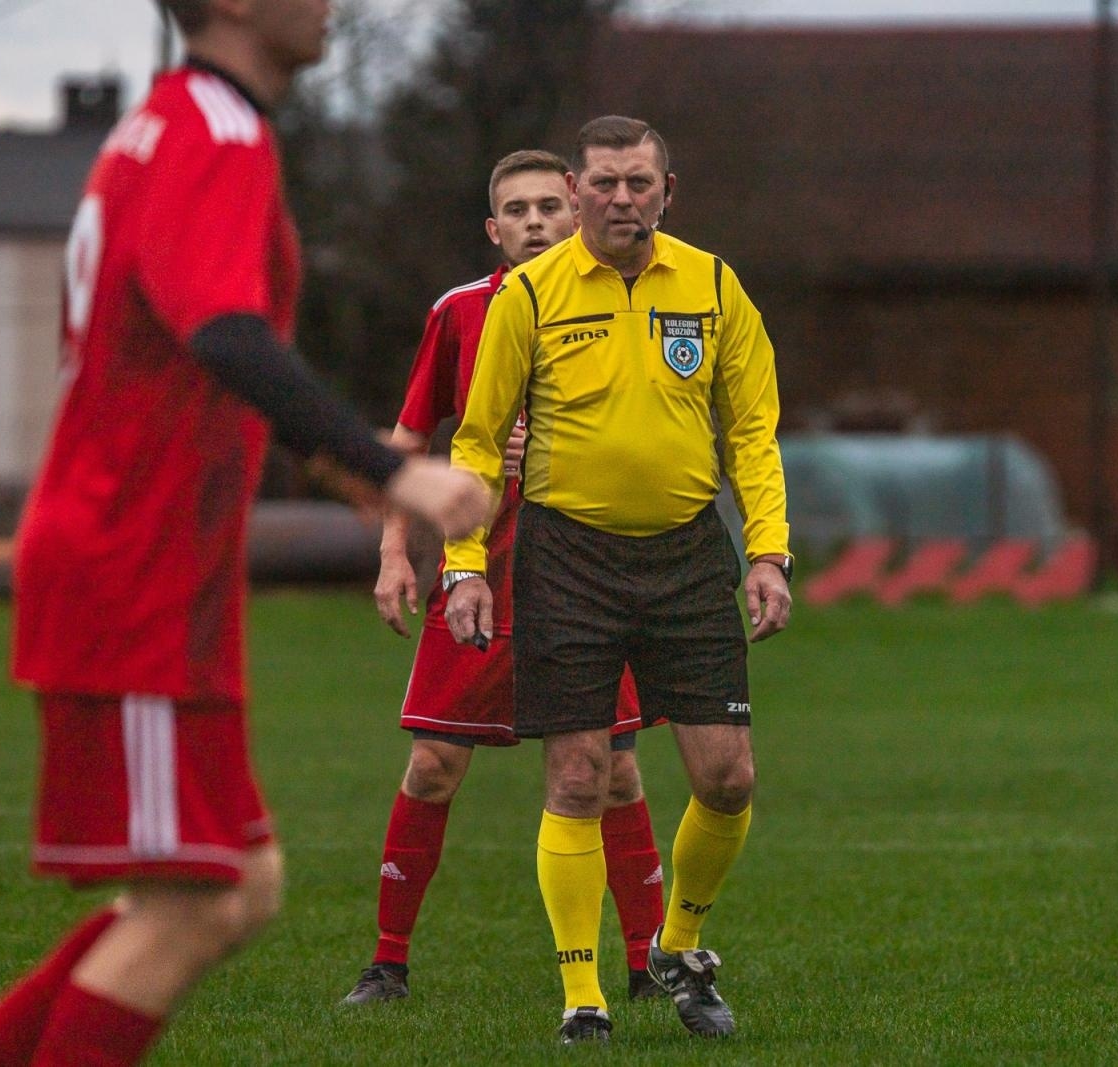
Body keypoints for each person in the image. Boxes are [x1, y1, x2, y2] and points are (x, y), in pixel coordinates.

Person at [0, 2, 488, 1065]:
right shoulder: (212, 132)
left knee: (237, 885)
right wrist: (391, 466)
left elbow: (180, 337)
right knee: (190, 902)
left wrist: (330, 469)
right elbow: (221, 330)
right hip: (132, 564)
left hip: (155, 569)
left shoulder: (182, 125)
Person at [445, 116, 793, 1045]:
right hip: (568, 556)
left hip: (686, 553)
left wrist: (767, 551)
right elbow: (477, 442)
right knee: (578, 775)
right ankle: (583, 993)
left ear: (667, 191)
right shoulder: (532, 293)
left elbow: (751, 432)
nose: (622, 199)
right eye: (604, 183)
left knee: (727, 778)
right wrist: (466, 564)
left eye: (640, 183)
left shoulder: (715, 285)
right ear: (577, 185)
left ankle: (679, 949)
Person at [340, 150, 666, 1006]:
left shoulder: (630, 301)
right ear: (494, 228)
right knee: (435, 763)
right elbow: (408, 444)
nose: (532, 221)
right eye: (514, 209)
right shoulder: (460, 313)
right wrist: (390, 554)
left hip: (595, 576)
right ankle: (387, 961)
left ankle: (647, 962)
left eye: (548, 207)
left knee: (616, 772)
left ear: (576, 214)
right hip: (478, 569)